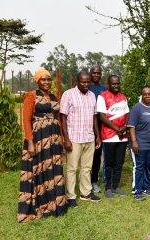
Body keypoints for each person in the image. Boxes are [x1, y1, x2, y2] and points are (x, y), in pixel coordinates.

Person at [17, 69, 68, 223]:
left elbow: (58, 118)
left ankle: (55, 205)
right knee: (38, 170)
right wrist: (30, 143)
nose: (46, 82)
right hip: (38, 139)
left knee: (53, 169)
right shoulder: (31, 96)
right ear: (37, 81)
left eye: (48, 79)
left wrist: (62, 138)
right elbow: (26, 121)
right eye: (43, 79)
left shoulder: (54, 97)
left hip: (53, 139)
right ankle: (38, 205)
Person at [60, 71, 102, 208]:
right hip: (74, 138)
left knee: (86, 168)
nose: (86, 84)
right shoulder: (68, 94)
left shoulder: (92, 96)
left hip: (89, 137)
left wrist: (97, 136)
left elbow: (95, 117)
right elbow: (63, 117)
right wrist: (66, 139)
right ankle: (71, 196)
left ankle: (86, 193)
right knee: (72, 169)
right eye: (83, 82)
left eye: (88, 82)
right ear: (77, 81)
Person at [96, 75, 129, 198]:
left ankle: (115, 186)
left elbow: (127, 114)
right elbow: (102, 116)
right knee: (108, 163)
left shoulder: (123, 97)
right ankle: (108, 188)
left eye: (118, 84)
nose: (116, 86)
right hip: (109, 136)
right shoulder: (102, 96)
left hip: (122, 136)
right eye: (113, 84)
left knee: (119, 162)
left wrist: (124, 128)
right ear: (108, 84)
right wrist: (117, 129)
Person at [128, 86, 150, 201]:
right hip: (140, 144)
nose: (147, 96)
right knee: (140, 167)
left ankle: (147, 187)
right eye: (145, 94)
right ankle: (137, 191)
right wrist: (134, 142)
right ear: (141, 95)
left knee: (149, 167)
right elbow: (131, 126)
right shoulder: (137, 108)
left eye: (149, 94)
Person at [89, 65, 108, 193]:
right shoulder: (85, 86)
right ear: (90, 73)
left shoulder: (104, 89)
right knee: (86, 156)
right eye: (94, 72)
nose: (96, 75)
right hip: (86, 126)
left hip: (101, 127)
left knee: (97, 155)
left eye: (98, 73)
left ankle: (94, 180)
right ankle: (85, 179)